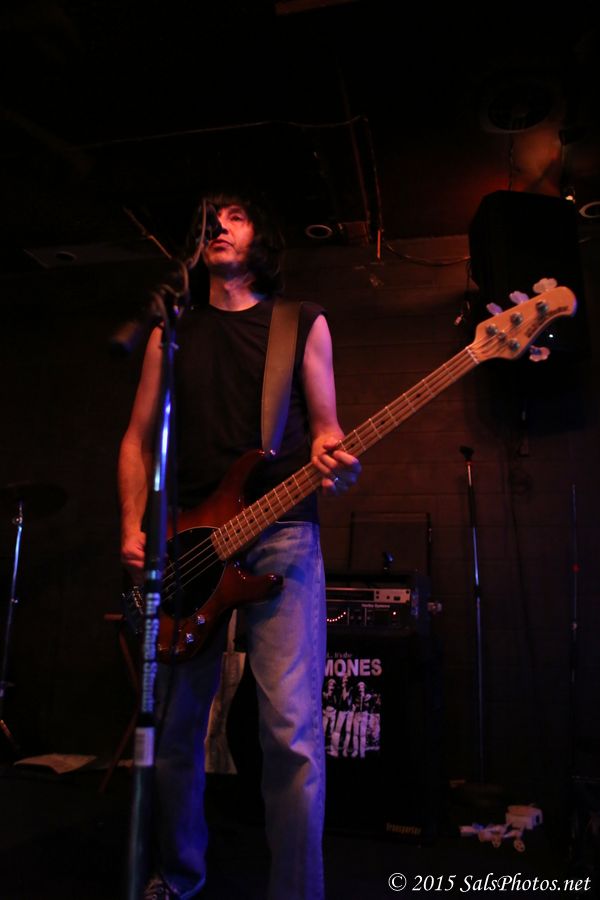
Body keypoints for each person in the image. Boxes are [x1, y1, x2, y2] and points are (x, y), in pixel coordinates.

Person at [118, 193, 361, 900]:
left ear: (262, 236)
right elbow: (136, 440)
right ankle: (179, 875)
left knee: (290, 733)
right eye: (210, 218)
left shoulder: (301, 322)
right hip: (187, 545)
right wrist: (131, 526)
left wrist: (334, 455)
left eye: (236, 215)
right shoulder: (171, 332)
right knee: (174, 730)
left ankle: (297, 891)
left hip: (281, 533)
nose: (218, 227)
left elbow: (326, 427)